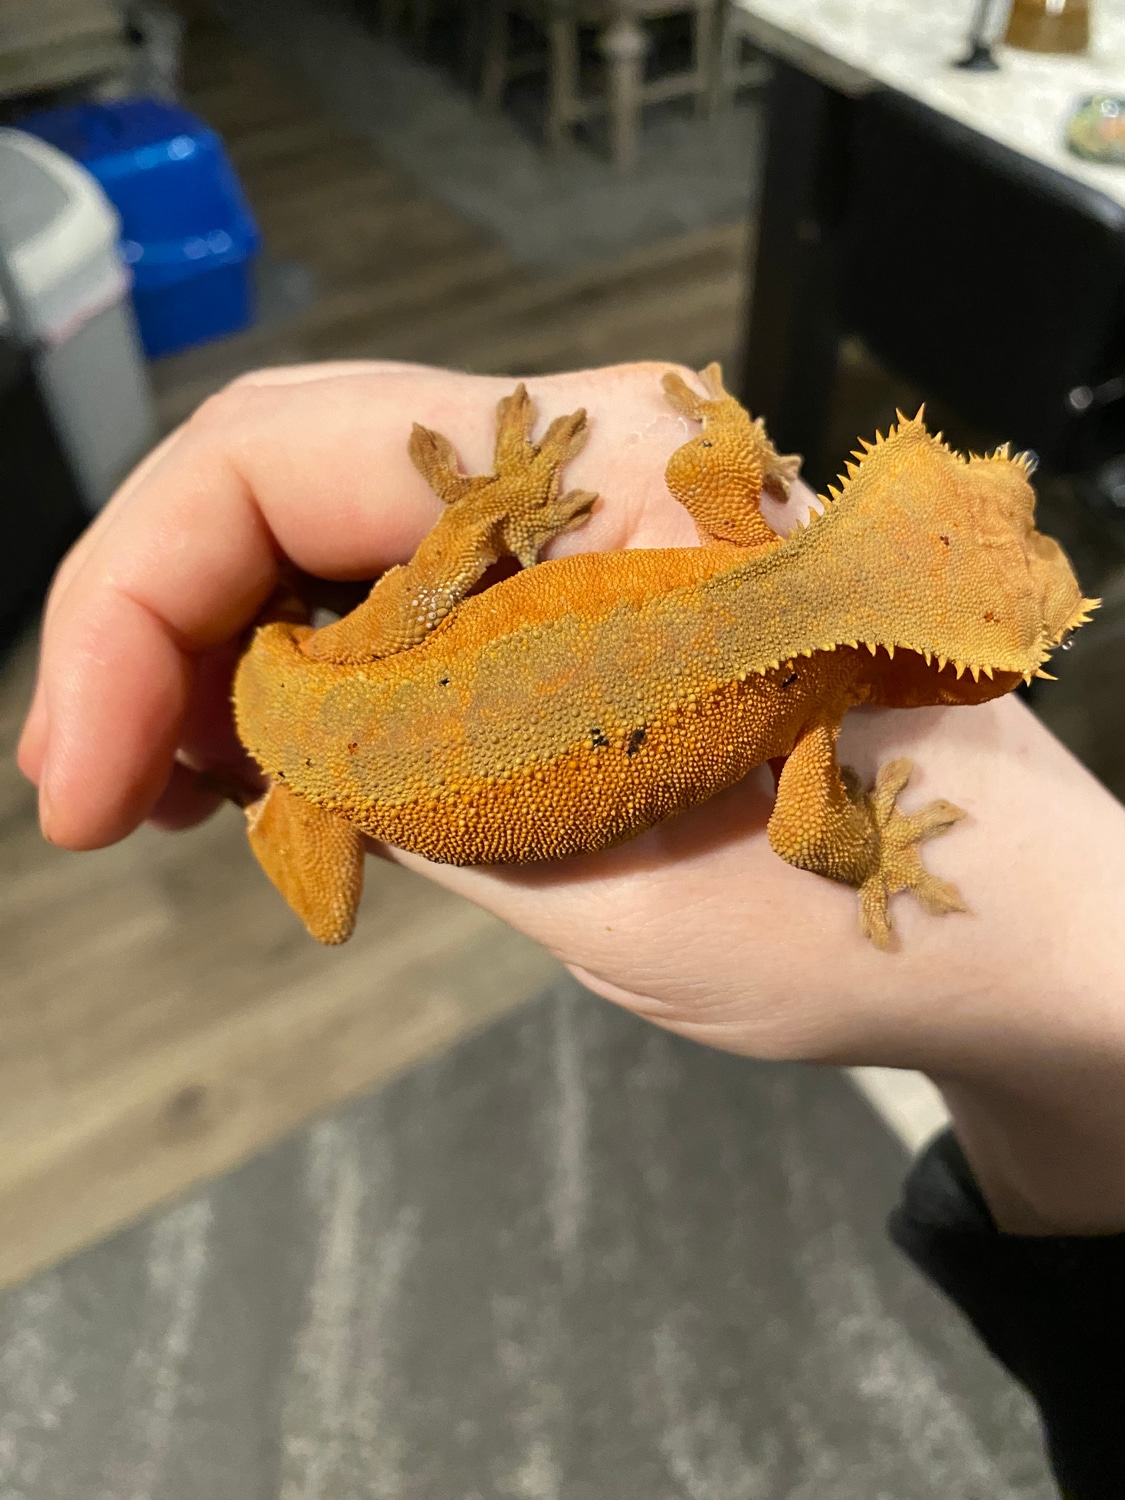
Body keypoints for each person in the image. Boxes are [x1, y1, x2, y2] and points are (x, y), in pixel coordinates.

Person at [18, 361, 1125, 1494]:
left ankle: (317, 737)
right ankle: (289, 791)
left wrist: (681, 438)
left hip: (332, 676)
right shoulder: (809, 714)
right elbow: (808, 841)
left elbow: (706, 460)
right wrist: (881, 852)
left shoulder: (752, 543)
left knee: (352, 824)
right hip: (312, 745)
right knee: (334, 910)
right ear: (929, 678)